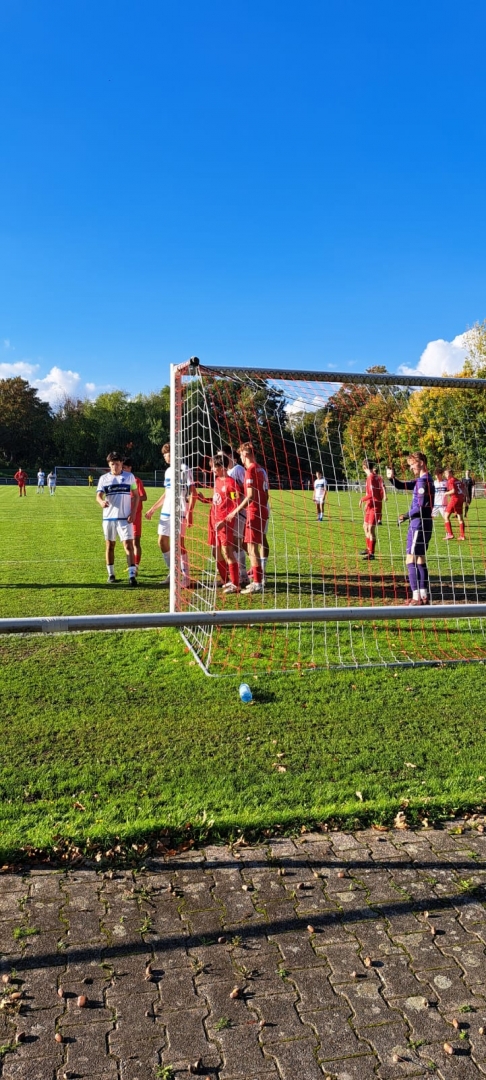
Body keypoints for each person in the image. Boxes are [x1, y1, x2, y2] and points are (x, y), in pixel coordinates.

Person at [145, 442, 196, 587]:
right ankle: (173, 572)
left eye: (166, 454)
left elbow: (193, 493)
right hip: (166, 511)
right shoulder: (168, 471)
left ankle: (186, 577)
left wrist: (190, 512)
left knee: (179, 544)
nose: (165, 457)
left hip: (179, 510)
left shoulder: (184, 468)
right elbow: (166, 493)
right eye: (164, 455)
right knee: (162, 541)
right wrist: (153, 509)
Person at [386, 452, 435, 606]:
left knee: (410, 559)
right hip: (425, 523)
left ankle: (416, 597)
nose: (411, 468)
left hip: (418, 524)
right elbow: (401, 485)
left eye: (412, 464)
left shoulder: (422, 482)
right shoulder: (426, 479)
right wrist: (391, 478)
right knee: (420, 559)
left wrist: (405, 515)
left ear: (421, 463)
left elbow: (420, 507)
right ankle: (423, 596)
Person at [226, 442, 269, 595]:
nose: (241, 459)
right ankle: (258, 580)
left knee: (251, 548)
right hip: (262, 510)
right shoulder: (261, 470)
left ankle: (257, 583)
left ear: (245, 454)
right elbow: (266, 494)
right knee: (253, 545)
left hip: (254, 512)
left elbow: (250, 496)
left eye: (241, 456)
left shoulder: (250, 470)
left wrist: (235, 511)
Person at [96, 452, 140, 585]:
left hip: (125, 518)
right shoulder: (104, 479)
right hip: (109, 518)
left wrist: (133, 512)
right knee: (110, 545)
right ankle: (111, 575)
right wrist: (101, 502)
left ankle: (132, 576)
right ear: (109, 465)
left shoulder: (129, 477)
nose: (115, 466)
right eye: (112, 464)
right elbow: (98, 495)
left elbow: (136, 495)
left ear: (121, 464)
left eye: (117, 464)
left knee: (128, 545)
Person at [208, 452, 242, 593]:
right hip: (213, 521)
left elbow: (236, 504)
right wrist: (205, 499)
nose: (212, 470)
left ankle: (236, 584)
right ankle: (225, 580)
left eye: (214, 467)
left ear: (221, 467)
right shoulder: (217, 481)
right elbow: (218, 500)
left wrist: (224, 521)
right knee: (215, 551)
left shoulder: (231, 484)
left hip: (225, 524)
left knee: (228, 553)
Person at [222, 444, 250, 587]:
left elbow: (245, 490)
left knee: (236, 542)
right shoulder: (227, 472)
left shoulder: (238, 470)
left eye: (222, 456)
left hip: (239, 511)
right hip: (231, 512)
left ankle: (242, 574)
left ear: (229, 456)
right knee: (234, 542)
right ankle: (241, 573)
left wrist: (236, 498)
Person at [122, 458, 147, 572]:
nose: (122, 470)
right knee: (127, 542)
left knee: (136, 541)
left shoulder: (136, 481)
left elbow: (144, 497)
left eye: (124, 468)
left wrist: (133, 498)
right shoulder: (121, 480)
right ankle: (130, 565)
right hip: (124, 515)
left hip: (136, 516)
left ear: (130, 468)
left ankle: (136, 565)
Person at [359, 460, 385, 560]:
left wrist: (362, 500)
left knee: (370, 529)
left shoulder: (372, 477)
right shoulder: (373, 477)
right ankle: (368, 548)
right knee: (365, 527)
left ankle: (372, 553)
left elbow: (372, 494)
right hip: (370, 505)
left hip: (375, 506)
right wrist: (367, 503)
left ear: (364, 467)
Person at [443, 467, 466, 541]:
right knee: (460, 518)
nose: (445, 475)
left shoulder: (450, 480)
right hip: (460, 499)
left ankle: (450, 534)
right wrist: (467, 497)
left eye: (446, 473)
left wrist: (445, 493)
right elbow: (464, 489)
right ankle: (462, 536)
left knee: (446, 517)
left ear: (450, 473)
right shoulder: (458, 480)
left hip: (454, 499)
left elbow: (453, 491)